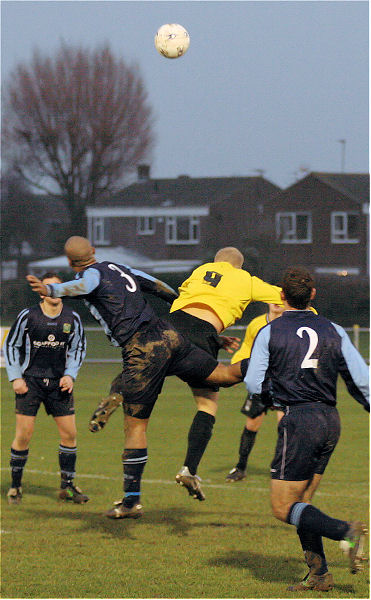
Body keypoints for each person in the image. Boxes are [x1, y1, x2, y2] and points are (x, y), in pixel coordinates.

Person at [26, 237, 247, 520]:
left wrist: (51, 288)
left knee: (135, 427)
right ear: (93, 251)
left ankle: (131, 501)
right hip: (170, 334)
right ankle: (271, 361)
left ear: (71, 263)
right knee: (225, 375)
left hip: (142, 348)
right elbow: (159, 287)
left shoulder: (90, 275)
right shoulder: (120, 267)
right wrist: (180, 306)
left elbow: (84, 285)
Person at [244, 266, 369, 591]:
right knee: (303, 504)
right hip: (329, 420)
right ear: (312, 295)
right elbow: (362, 380)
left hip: (299, 421)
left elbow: (254, 383)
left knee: (283, 507)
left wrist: (276, 398)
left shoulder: (270, 331)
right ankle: (319, 575)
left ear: (281, 296)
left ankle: (347, 532)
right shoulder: (334, 329)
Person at [166, 247, 283, 501]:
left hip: (172, 329)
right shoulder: (250, 299)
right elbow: (247, 348)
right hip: (246, 372)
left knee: (148, 369)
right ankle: (214, 467)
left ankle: (119, 389)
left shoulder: (199, 272)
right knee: (225, 411)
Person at [4, 272, 87, 505]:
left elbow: (78, 349)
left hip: (59, 384)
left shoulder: (72, 318)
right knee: (23, 436)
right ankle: (15, 486)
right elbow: (11, 345)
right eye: (49, 287)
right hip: (30, 383)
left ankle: (67, 488)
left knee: (70, 435)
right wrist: (15, 378)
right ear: (41, 291)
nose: (54, 291)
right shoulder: (28, 316)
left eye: (58, 287)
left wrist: (70, 375)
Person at [226, 303, 285, 483]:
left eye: (280, 298)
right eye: (273, 297)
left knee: (285, 426)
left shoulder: (291, 324)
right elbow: (246, 347)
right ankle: (241, 467)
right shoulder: (256, 324)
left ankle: (280, 468)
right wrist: (234, 371)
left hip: (284, 381)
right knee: (252, 424)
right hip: (261, 381)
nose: (276, 302)